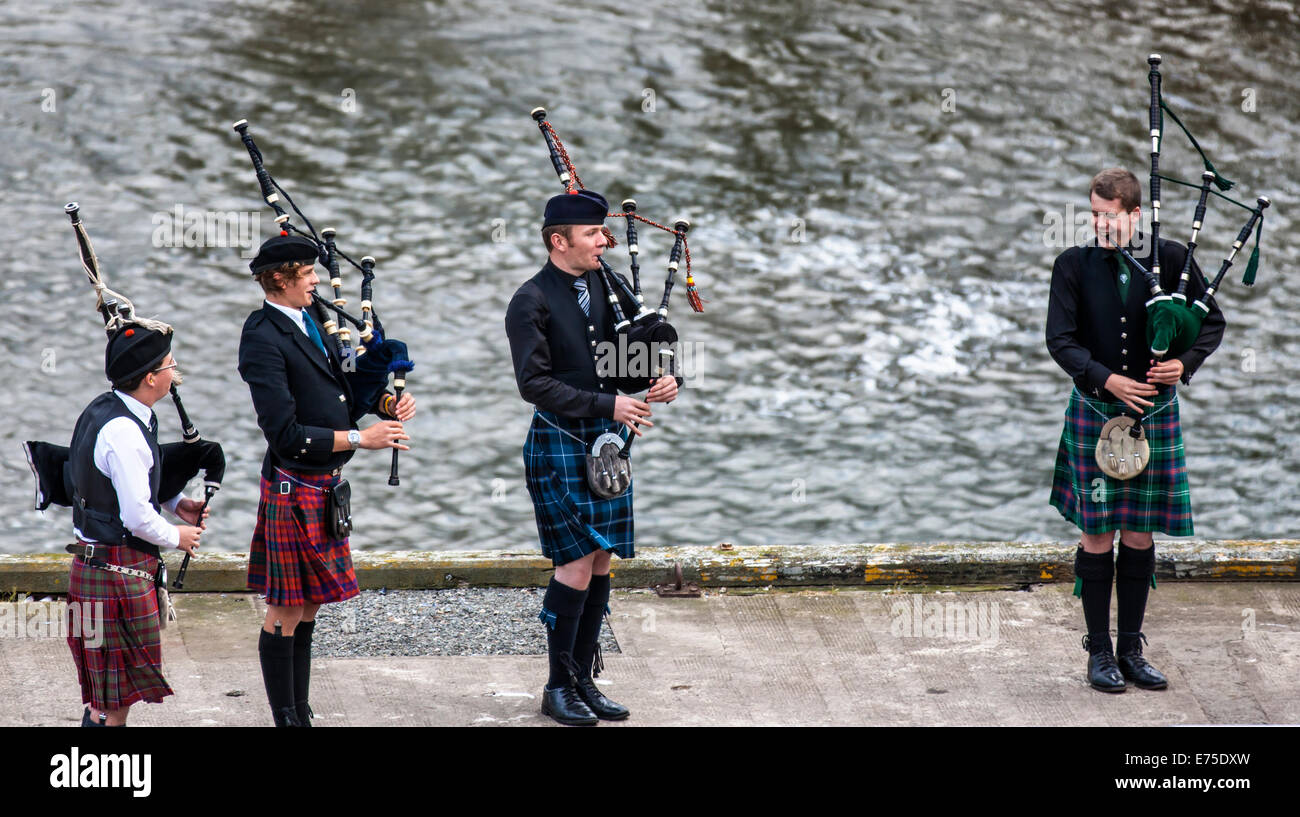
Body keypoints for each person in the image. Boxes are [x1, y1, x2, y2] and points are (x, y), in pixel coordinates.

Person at [1046, 168, 1224, 693]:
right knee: (1098, 533)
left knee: (1140, 532)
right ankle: (1098, 652)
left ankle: (1131, 649)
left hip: (1153, 416)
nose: (1099, 225)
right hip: (1097, 411)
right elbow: (1060, 340)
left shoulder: (1171, 259)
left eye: (1108, 216)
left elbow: (1211, 322)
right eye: (1093, 215)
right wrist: (1108, 379)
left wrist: (1185, 364)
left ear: (1134, 215)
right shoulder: (1072, 266)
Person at [505, 189, 679, 725]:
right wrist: (611, 403)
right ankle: (557, 687)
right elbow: (534, 384)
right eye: (593, 235)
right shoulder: (530, 300)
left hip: (609, 443)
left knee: (600, 559)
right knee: (576, 562)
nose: (605, 241)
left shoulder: (609, 286)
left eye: (605, 233)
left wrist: (666, 378)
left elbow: (637, 353)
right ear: (559, 241)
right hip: (560, 441)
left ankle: (583, 678)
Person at [238, 234, 415, 726]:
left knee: (310, 604)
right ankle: (286, 718)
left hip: (325, 486)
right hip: (294, 485)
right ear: (279, 279)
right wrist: (363, 440)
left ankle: (301, 712)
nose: (317, 281)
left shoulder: (311, 317)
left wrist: (384, 403)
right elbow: (286, 435)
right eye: (307, 275)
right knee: (285, 611)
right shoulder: (261, 338)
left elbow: (342, 392)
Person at [66, 322, 208, 726]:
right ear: (150, 378)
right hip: (114, 574)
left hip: (99, 568)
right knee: (111, 706)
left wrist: (178, 503)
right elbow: (136, 518)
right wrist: (177, 536)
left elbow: (124, 483)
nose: (174, 371)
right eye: (169, 364)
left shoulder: (108, 408)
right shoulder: (125, 431)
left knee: (108, 699)